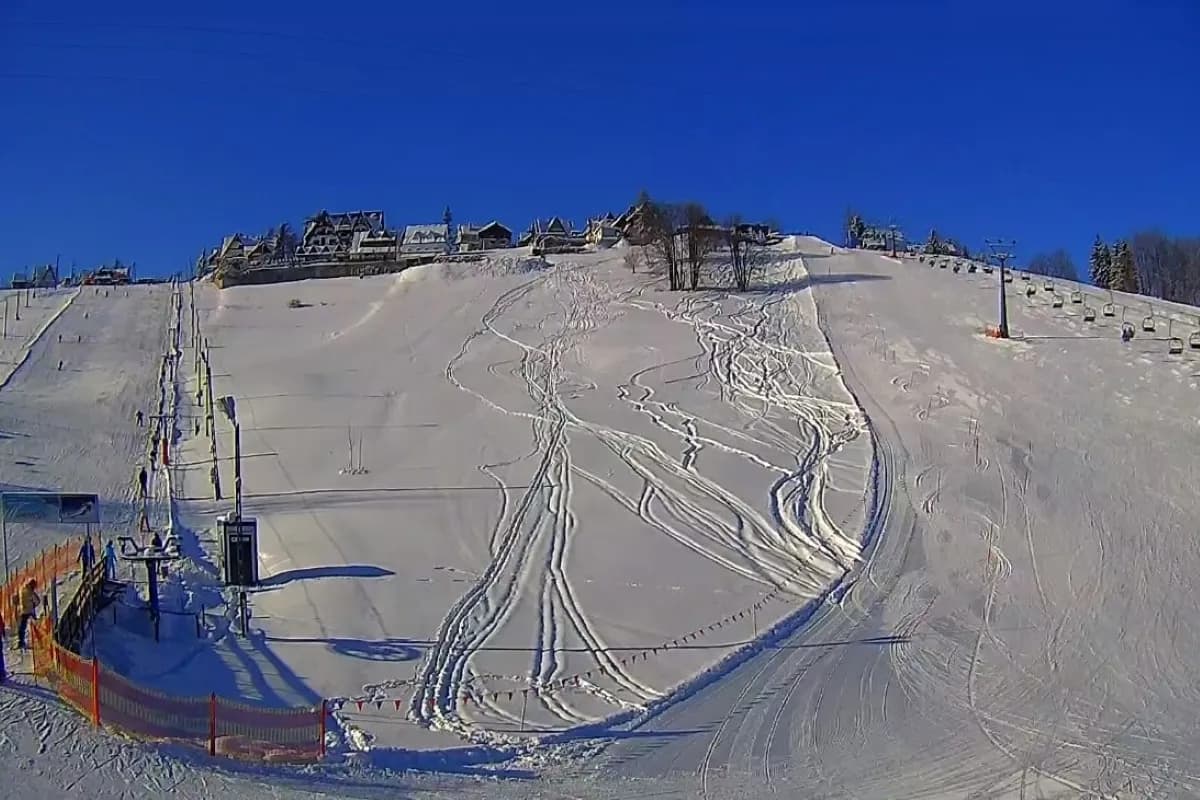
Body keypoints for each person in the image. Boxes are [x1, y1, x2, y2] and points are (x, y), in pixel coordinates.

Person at [17, 579, 39, 650]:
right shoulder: (30, 592)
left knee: (22, 627)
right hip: (29, 611)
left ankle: (21, 642)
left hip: (23, 610)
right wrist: (34, 604)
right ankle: (39, 639)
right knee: (36, 625)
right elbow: (37, 600)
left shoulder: (22, 589)